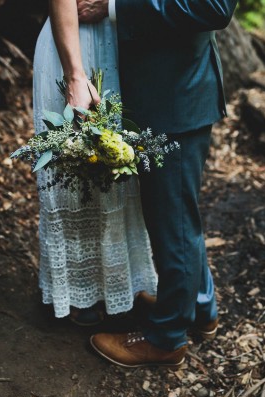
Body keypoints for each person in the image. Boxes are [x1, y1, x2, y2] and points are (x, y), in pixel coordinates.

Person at [77, 0, 238, 367]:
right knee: (176, 214)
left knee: (174, 221)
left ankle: (166, 338)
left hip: (176, 93)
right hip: (165, 89)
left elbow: (213, 7)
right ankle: (198, 308)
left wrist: (113, 6)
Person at [33, 0, 158, 326]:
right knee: (77, 170)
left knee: (120, 169)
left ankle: (122, 282)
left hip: (125, 47)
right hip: (76, 48)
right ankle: (78, 290)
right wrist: (75, 76)